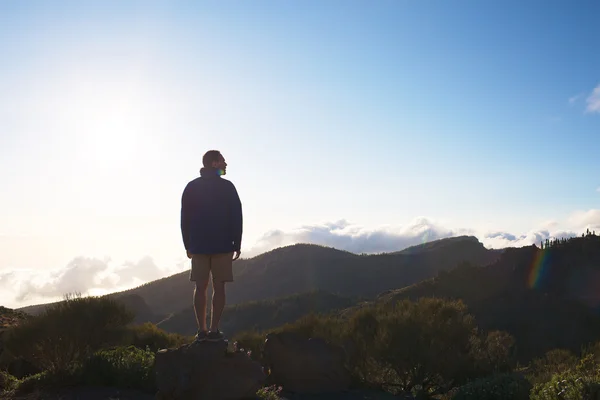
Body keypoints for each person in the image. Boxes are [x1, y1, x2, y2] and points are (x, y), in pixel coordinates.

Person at [180, 150, 243, 342]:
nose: (226, 164)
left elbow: (185, 219)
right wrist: (237, 243)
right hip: (223, 245)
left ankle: (201, 330)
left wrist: (187, 245)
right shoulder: (228, 187)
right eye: (223, 161)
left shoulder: (191, 187)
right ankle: (214, 330)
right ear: (214, 163)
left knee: (200, 287)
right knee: (219, 287)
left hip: (198, 245)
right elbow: (236, 216)